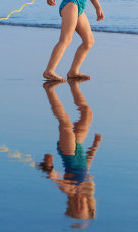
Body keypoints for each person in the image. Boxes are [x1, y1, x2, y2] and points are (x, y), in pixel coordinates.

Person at [38, 79, 102, 223]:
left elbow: (55, 178)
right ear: (87, 203)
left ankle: (50, 90)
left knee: (65, 123)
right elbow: (87, 164)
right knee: (87, 113)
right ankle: (74, 84)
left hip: (68, 151)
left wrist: (49, 167)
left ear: (70, 204)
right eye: (82, 206)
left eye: (75, 207)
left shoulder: (70, 190)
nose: (78, 203)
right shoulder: (84, 187)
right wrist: (95, 145)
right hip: (78, 148)